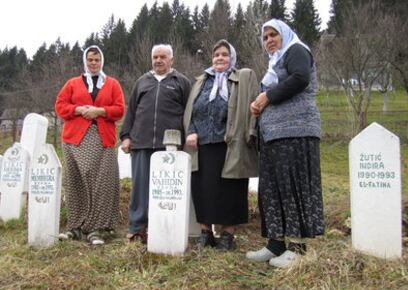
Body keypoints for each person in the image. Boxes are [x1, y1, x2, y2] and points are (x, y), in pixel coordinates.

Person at [246, 19, 324, 267]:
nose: (269, 40)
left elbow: (300, 78)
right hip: (274, 135)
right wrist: (259, 105)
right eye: (265, 36)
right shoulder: (275, 64)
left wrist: (267, 96)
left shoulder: (296, 50)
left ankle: (298, 248)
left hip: (296, 131)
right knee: (272, 189)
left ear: (285, 35)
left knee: (292, 187)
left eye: (273, 35)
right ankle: (275, 244)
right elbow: (273, 93)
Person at [184, 39, 259, 251]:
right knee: (203, 189)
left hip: (230, 145)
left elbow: (250, 106)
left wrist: (242, 132)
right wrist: (191, 132)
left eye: (224, 55)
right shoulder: (201, 81)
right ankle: (206, 233)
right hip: (202, 144)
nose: (220, 58)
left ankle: (227, 236)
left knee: (230, 190)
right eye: (216, 55)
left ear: (232, 58)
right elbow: (192, 110)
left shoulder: (240, 79)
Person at [120, 44, 191, 244]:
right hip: (141, 143)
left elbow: (189, 113)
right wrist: (126, 136)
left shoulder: (181, 82)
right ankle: (137, 229)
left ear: (171, 60)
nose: (158, 60)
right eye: (155, 57)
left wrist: (187, 139)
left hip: (170, 146)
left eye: (163, 57)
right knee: (140, 189)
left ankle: (165, 227)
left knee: (167, 189)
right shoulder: (142, 81)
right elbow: (131, 111)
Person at [55, 45, 125, 245]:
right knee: (75, 182)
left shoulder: (112, 84)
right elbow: (60, 106)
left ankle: (97, 228)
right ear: (85, 61)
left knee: (101, 184)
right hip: (74, 140)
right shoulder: (72, 83)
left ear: (102, 61)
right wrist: (77, 109)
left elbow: (119, 109)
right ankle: (75, 227)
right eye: (90, 59)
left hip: (102, 139)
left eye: (97, 59)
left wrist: (100, 111)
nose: (93, 63)